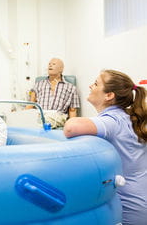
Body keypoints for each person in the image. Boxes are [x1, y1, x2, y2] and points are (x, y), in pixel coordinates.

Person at [63, 70, 147, 225]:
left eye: (95, 83)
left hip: (130, 209)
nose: (90, 86)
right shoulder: (128, 117)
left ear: (109, 95)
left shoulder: (113, 120)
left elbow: (71, 128)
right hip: (140, 201)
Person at [27, 58, 80, 127]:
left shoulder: (71, 88)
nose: (50, 66)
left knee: (42, 121)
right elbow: (30, 104)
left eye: (53, 64)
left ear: (61, 69)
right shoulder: (38, 84)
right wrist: (23, 116)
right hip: (40, 114)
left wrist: (72, 127)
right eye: (49, 64)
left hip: (58, 116)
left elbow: (72, 111)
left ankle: (40, 125)